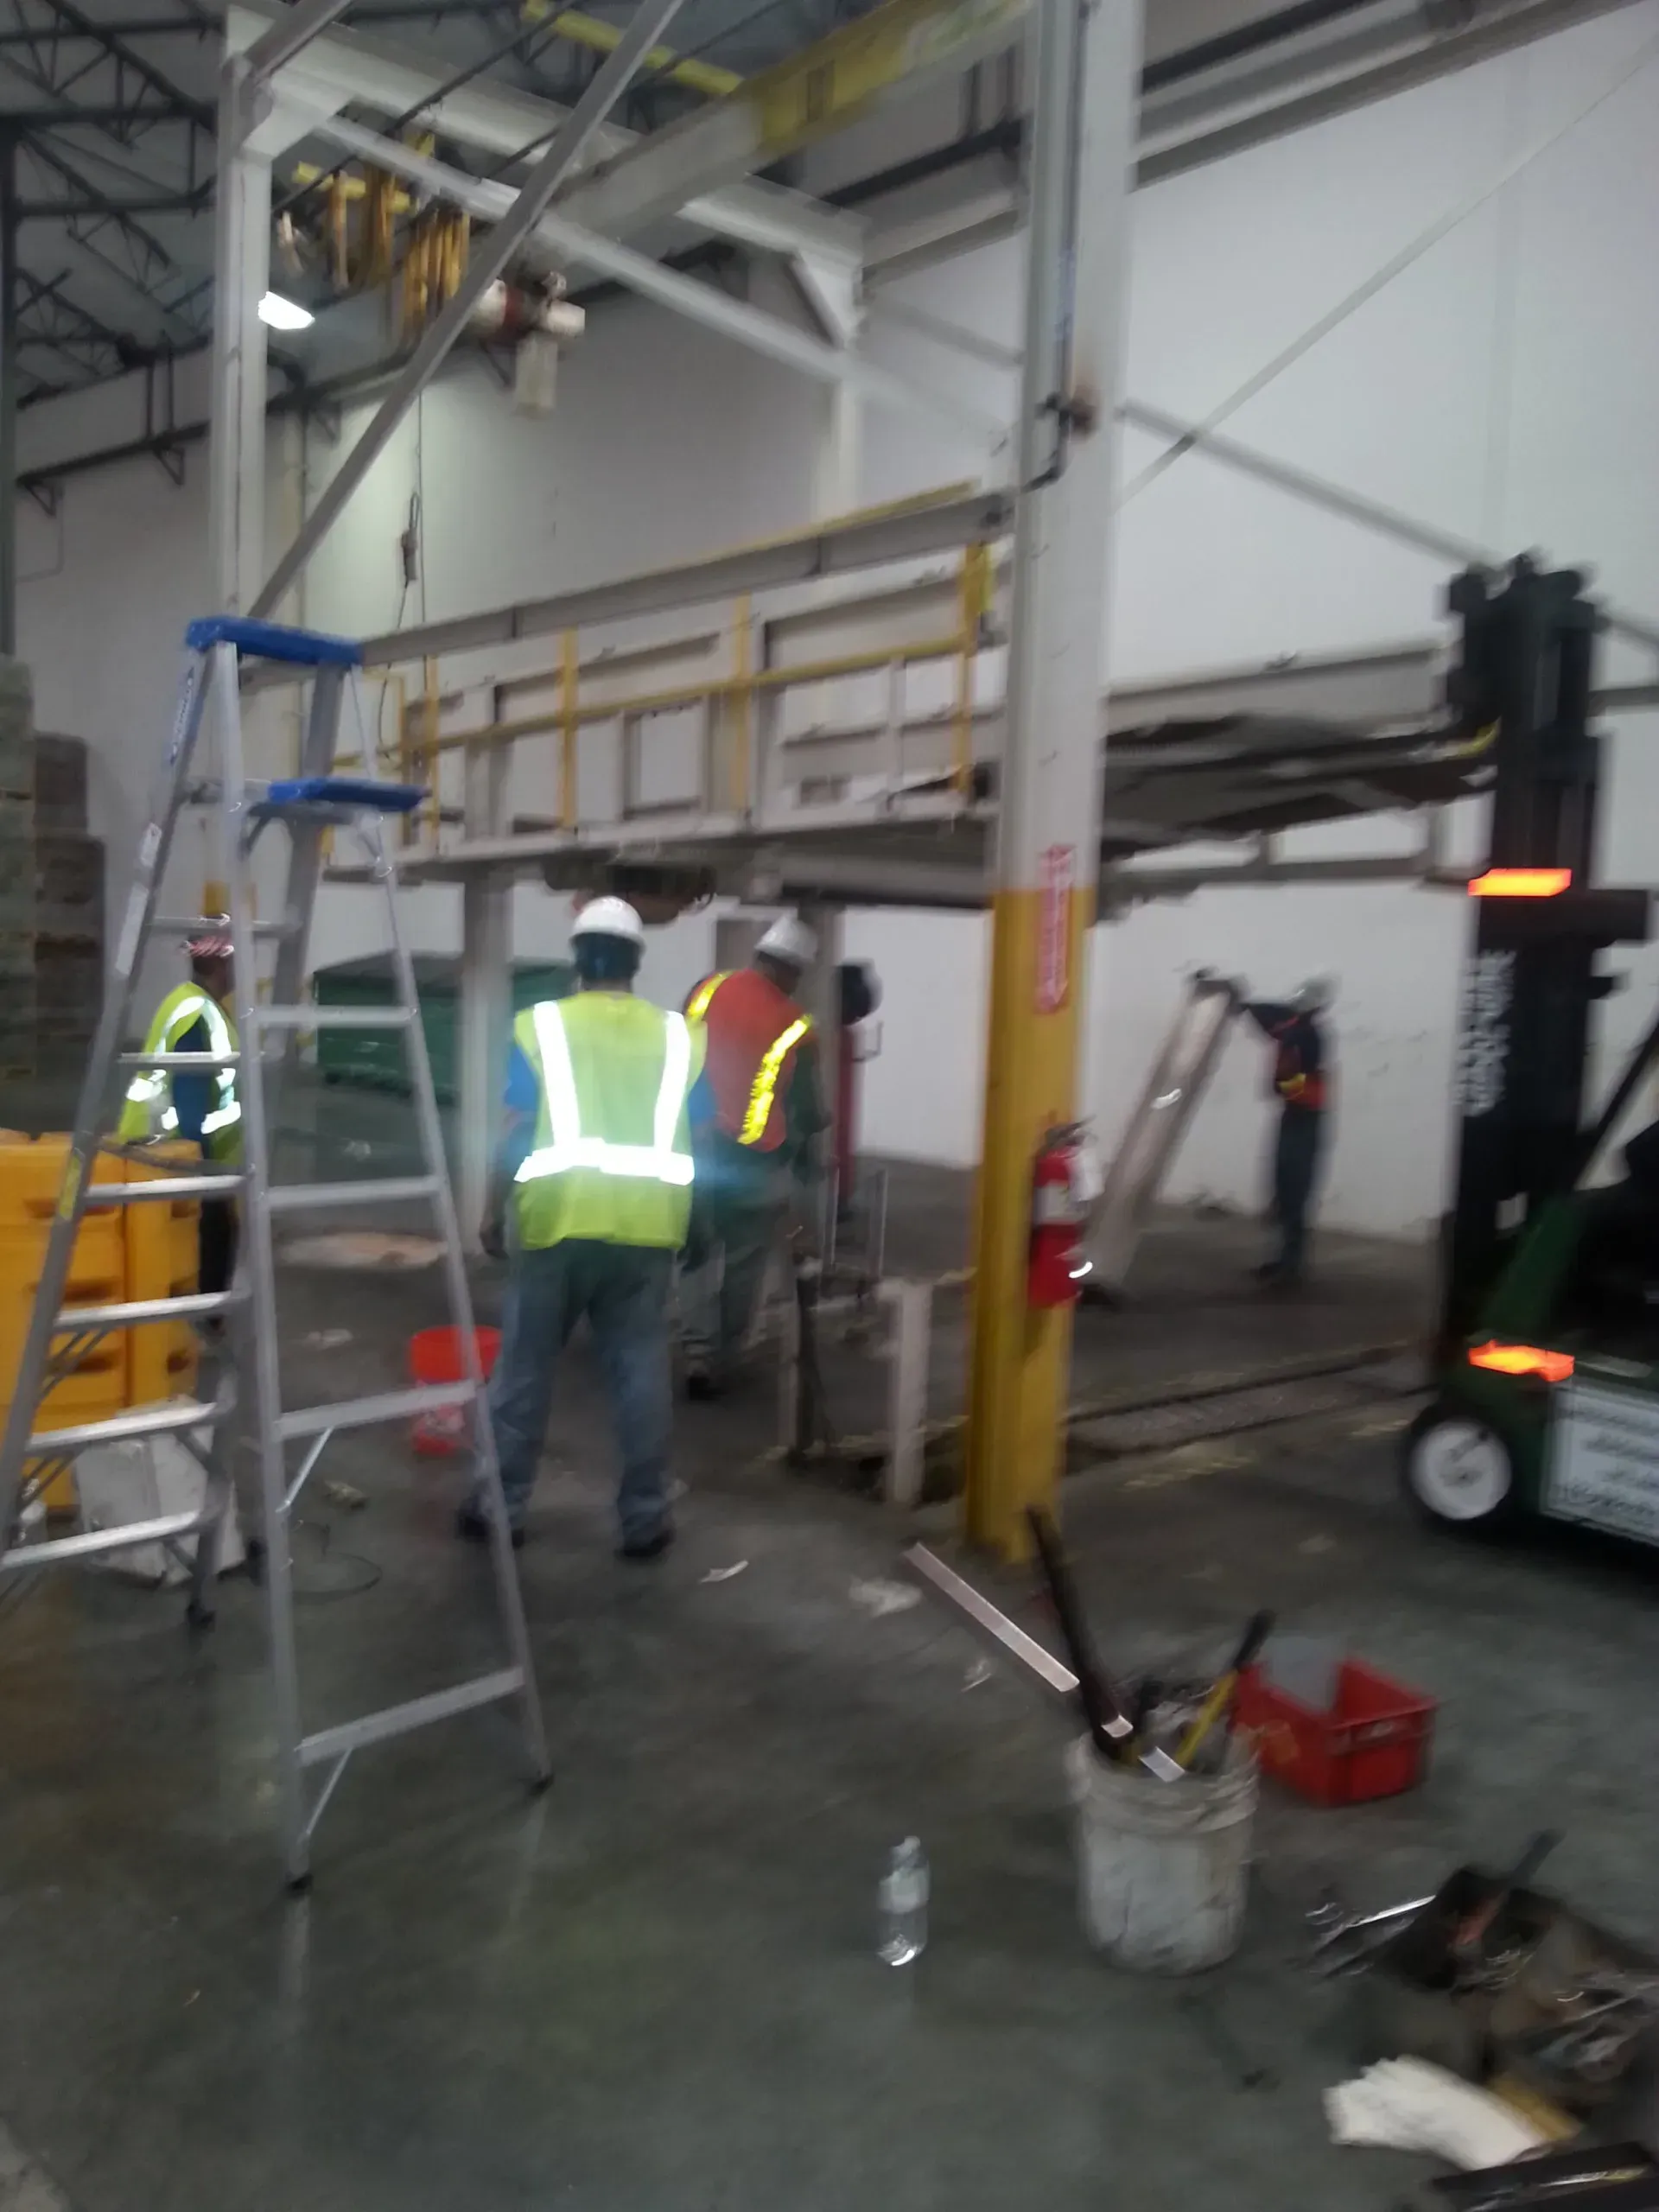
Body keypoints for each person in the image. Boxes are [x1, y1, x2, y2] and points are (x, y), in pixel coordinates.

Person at [464, 897, 705, 1559]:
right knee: (639, 1374)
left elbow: (516, 1127)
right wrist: (700, 1217)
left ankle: (499, 1508)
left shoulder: (542, 1027)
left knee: (524, 1371)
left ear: (577, 959)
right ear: (636, 960)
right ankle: (646, 1518)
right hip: (648, 1230)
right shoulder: (677, 1035)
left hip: (557, 1226)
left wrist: (491, 1207)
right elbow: (703, 1131)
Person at [679, 915, 830, 1396]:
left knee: (695, 1255)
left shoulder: (705, 991)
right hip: (755, 1164)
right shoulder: (796, 1026)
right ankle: (724, 1356)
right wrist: (812, 1140)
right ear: (794, 971)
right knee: (744, 1264)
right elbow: (808, 1108)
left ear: (759, 955)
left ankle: (696, 1353)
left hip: (697, 1150)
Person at [116, 923, 242, 1294]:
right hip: (177, 1155)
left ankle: (196, 1324)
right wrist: (199, 1169)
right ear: (221, 965)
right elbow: (190, 1096)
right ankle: (200, 1327)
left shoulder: (191, 1004)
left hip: (172, 1151)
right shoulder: (196, 1014)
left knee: (204, 1245)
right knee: (208, 1247)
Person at [1238, 976, 1336, 1287]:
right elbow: (1268, 1015)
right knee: (1282, 1188)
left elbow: (1280, 1031)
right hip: (1294, 1116)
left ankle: (1291, 1267)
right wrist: (1241, 1000)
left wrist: (1284, 1088)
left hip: (1305, 1118)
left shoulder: (1309, 1035)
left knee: (1295, 1191)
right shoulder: (1295, 1026)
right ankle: (1281, 1260)